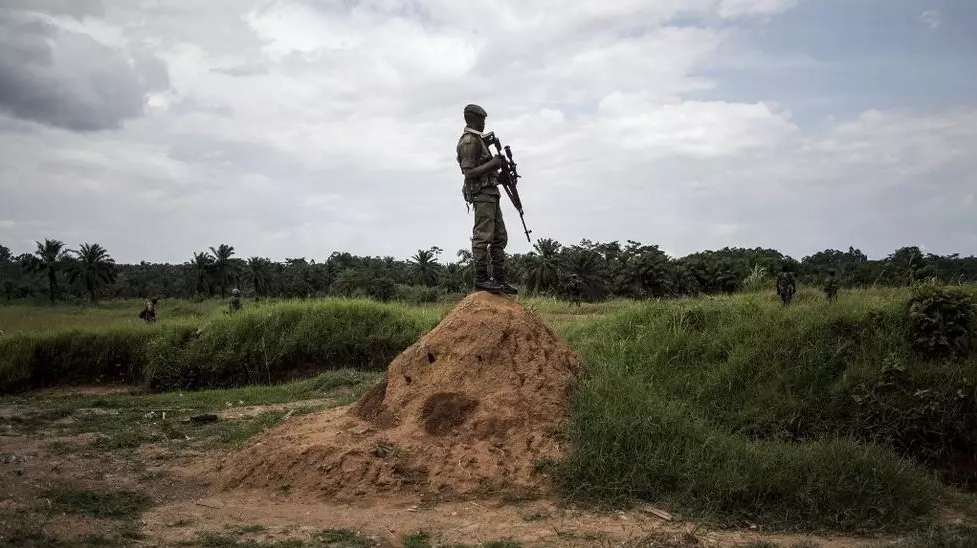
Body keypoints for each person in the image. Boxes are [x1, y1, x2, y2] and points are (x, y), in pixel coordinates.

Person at [456, 104, 518, 295]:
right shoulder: (469, 142)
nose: (484, 123)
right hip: (482, 195)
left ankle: (499, 279)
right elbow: (469, 173)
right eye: (482, 119)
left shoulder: (479, 140)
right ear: (474, 119)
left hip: (491, 193)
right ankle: (481, 279)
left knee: (500, 237)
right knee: (483, 236)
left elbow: (484, 170)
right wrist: (494, 163)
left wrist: (500, 175)